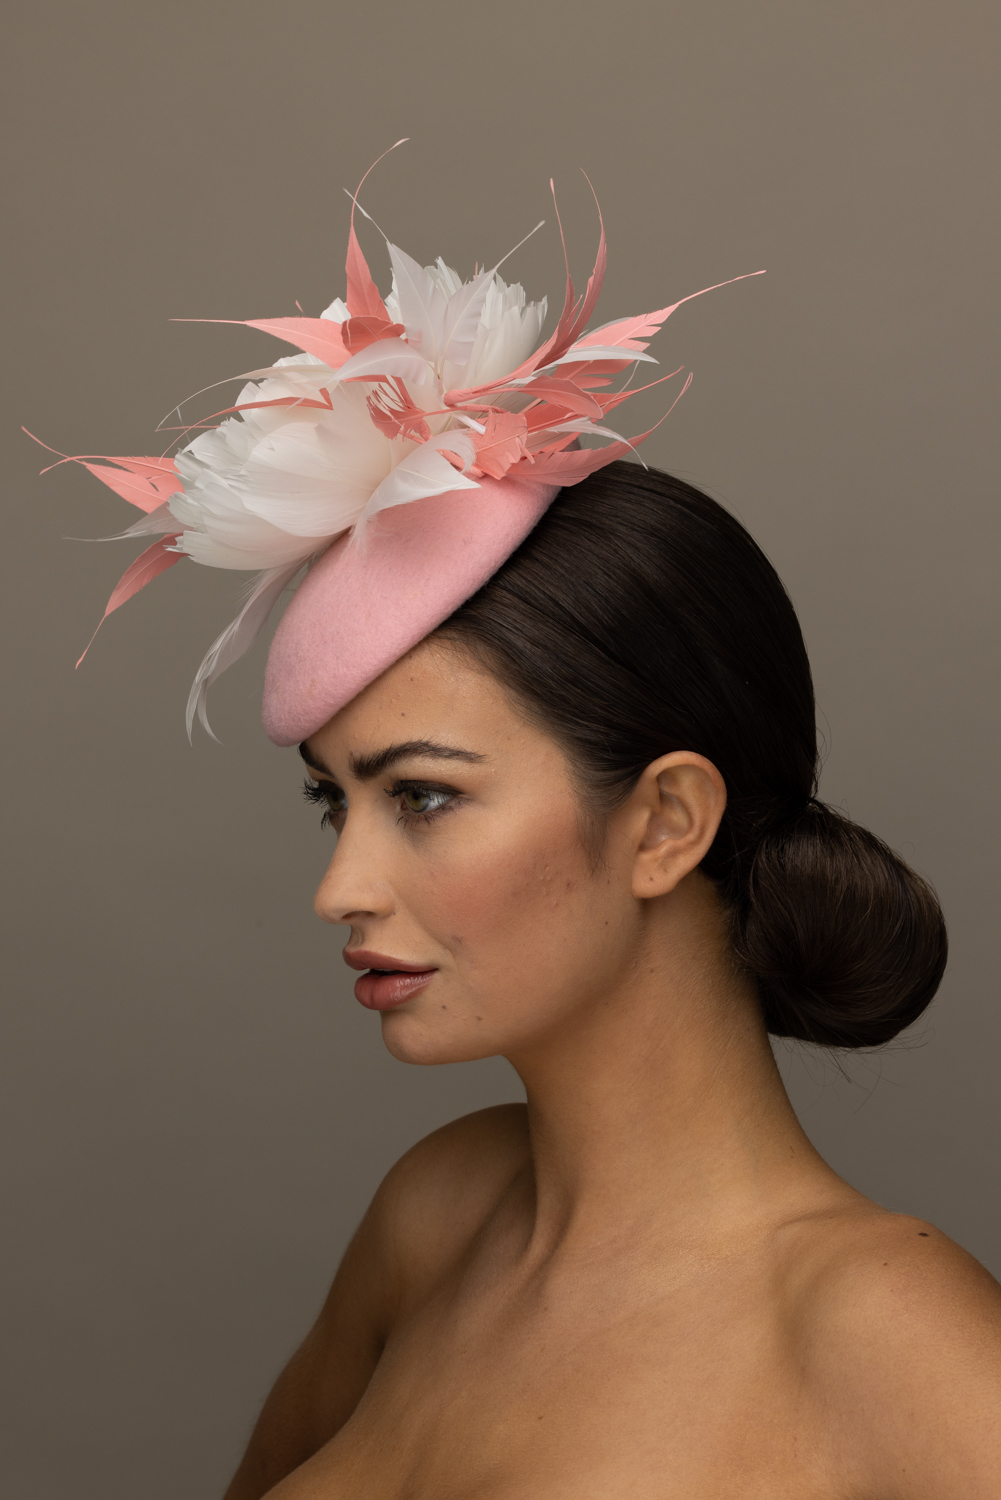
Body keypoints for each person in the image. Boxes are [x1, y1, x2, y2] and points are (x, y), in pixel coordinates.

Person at [57, 160, 1001, 1497]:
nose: (338, 888)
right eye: (337, 800)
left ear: (665, 822)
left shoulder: (887, 1340)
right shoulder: (438, 1215)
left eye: (423, 797)